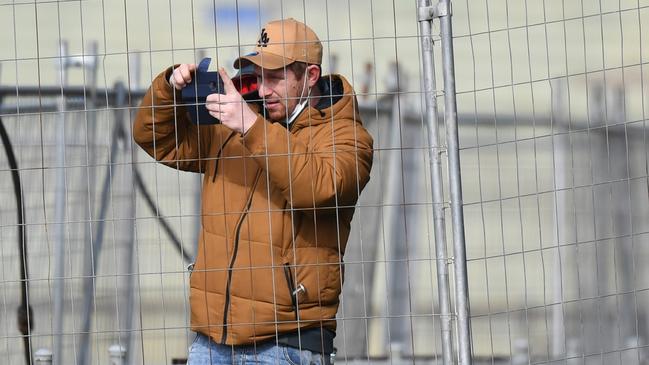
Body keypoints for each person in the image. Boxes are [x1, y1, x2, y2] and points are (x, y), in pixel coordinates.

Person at [133, 18, 373, 365]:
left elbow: (321, 188)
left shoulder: (345, 135)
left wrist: (250, 126)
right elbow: (158, 140)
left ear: (310, 76)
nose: (263, 89)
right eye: (259, 76)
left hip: (286, 342)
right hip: (212, 338)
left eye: (276, 77)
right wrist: (168, 89)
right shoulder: (237, 125)